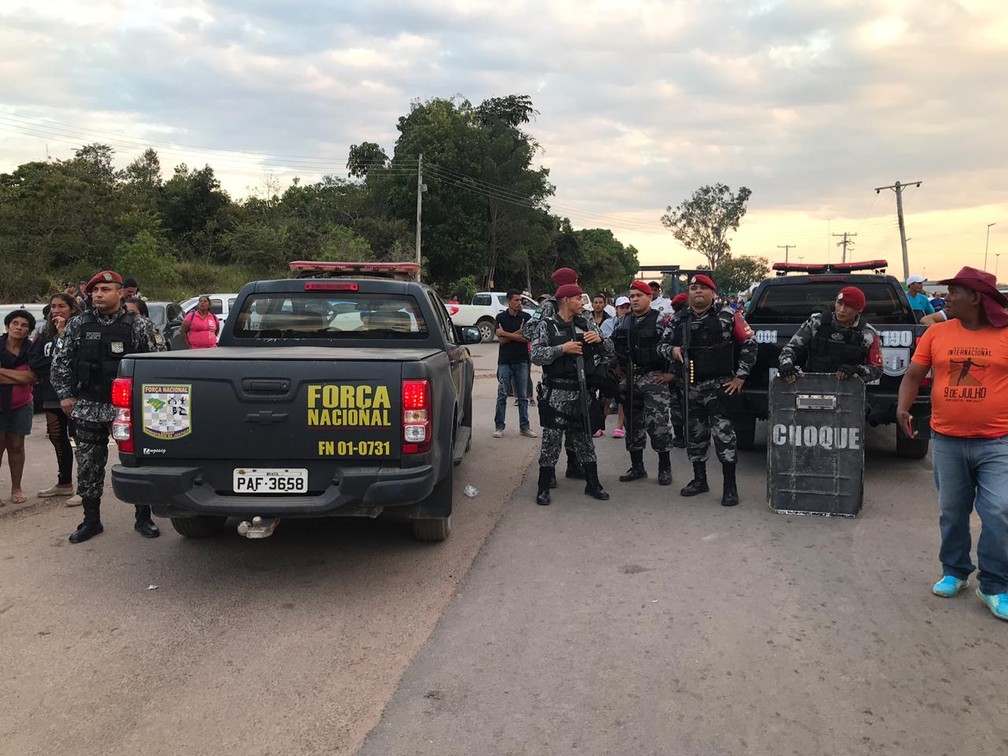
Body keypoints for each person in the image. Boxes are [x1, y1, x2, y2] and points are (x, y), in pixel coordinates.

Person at [898, 266, 1008, 621]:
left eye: (955, 292)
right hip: (946, 440)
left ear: (975, 297)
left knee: (999, 511)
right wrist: (902, 407)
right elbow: (914, 374)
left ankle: (994, 585)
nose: (946, 297)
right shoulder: (937, 334)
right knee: (953, 512)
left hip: (998, 441)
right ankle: (956, 571)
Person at [50, 269, 166, 543]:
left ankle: (143, 517)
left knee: (136, 464)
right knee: (88, 465)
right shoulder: (79, 324)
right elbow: (60, 362)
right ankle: (91, 521)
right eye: (95, 291)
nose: (99, 295)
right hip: (89, 406)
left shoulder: (139, 325)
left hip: (127, 409)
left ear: (121, 292)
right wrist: (65, 395)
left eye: (105, 290)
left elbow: (157, 364)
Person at [659, 274, 757, 507]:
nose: (697, 292)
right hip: (690, 387)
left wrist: (741, 377)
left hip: (720, 387)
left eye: (703, 288)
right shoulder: (678, 318)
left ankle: (729, 486)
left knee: (724, 437)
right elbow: (660, 345)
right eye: (693, 288)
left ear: (713, 293)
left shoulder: (729, 316)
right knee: (695, 436)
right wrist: (671, 350)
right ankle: (699, 480)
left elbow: (750, 344)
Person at [531, 283, 613, 505]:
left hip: (582, 392)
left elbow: (610, 351)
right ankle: (543, 487)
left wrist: (601, 341)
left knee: (585, 439)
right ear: (566, 300)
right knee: (551, 441)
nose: (582, 303)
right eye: (578, 298)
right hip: (557, 393)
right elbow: (536, 355)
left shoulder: (585, 323)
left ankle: (593, 483)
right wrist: (562, 350)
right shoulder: (546, 326)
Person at [524, 267, 586, 481]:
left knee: (575, 426)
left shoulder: (577, 307)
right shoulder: (549, 306)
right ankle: (548, 474)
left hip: (577, 373)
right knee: (554, 428)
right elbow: (529, 331)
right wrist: (552, 335)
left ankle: (573, 464)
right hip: (556, 371)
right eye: (576, 281)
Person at [612, 281, 676, 485]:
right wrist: (614, 365)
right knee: (633, 424)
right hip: (630, 378)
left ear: (650, 297)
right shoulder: (623, 321)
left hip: (654, 378)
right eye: (632, 296)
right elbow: (613, 346)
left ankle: (664, 468)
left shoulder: (662, 320)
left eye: (640, 295)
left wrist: (671, 375)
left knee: (658, 424)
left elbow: (676, 347)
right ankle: (637, 467)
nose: (635, 299)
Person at [28, 294, 80, 503]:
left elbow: (74, 361)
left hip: (75, 394)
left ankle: (85, 488)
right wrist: (54, 363)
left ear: (72, 309)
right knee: (58, 439)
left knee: (81, 440)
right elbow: (35, 360)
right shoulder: (44, 332)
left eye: (61, 306)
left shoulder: (79, 330)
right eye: (53, 307)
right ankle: (64, 483)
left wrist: (62, 334)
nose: (56, 310)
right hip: (51, 394)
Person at [777, 286, 884, 384]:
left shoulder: (868, 334)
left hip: (848, 390)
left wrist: (857, 370)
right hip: (812, 385)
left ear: (859, 310)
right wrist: (786, 365)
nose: (841, 310)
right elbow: (790, 349)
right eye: (839, 303)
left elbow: (877, 369)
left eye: (848, 306)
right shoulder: (816, 323)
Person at [0, 310, 38, 506]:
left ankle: (16, 488)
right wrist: (18, 376)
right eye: (15, 323)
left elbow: (31, 377)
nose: (18, 327)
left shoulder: (31, 350)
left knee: (16, 446)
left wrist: (2, 372)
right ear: (7, 326)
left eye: (24, 325)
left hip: (22, 405)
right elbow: (24, 377)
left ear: (28, 331)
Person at [493, 289, 536, 439]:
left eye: (520, 300)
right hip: (505, 361)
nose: (519, 303)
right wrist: (517, 333)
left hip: (522, 360)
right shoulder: (500, 317)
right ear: (509, 301)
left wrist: (506, 333)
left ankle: (525, 427)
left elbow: (526, 338)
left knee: (523, 396)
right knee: (502, 394)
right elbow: (501, 340)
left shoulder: (526, 317)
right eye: (516, 300)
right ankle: (499, 426)